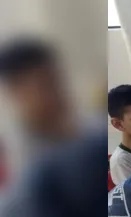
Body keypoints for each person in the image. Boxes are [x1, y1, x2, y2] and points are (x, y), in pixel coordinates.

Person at [0, 38, 77, 176]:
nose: (58, 95)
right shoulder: (17, 162)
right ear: (15, 92)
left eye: (57, 83)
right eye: (43, 86)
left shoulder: (80, 138)